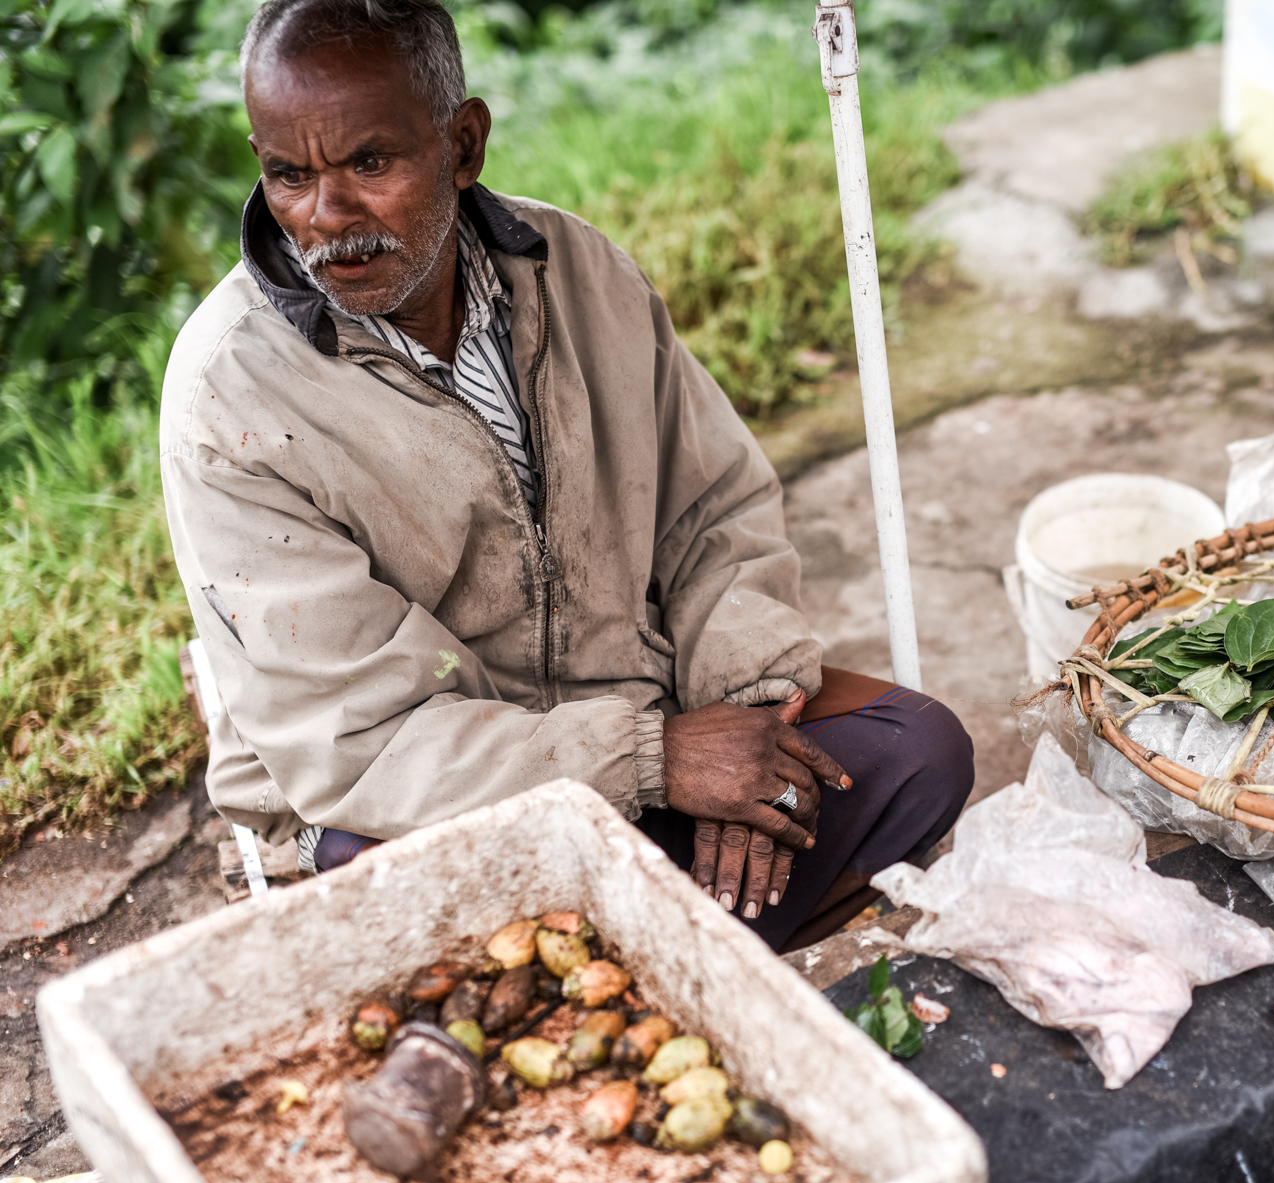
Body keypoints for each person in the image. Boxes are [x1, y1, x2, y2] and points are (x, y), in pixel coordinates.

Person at [160, 0, 972, 952]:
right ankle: (633, 950)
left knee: (918, 753)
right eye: (288, 175)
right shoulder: (229, 396)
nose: (327, 218)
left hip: (639, 707)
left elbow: (714, 514)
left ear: (463, 146)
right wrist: (653, 762)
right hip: (413, 791)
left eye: (369, 164)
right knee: (392, 885)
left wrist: (745, 725)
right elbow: (362, 746)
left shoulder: (577, 270)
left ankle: (615, 956)